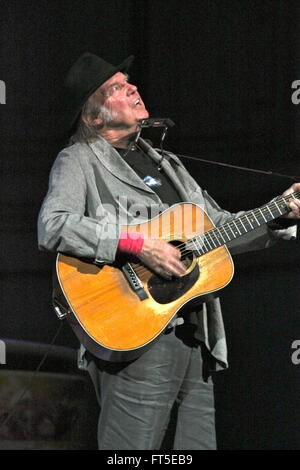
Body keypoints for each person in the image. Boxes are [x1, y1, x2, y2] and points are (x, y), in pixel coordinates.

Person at [38, 52, 300, 450]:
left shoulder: (169, 163)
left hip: (197, 333)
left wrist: (278, 214)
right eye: (117, 88)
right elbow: (53, 224)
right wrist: (140, 245)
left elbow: (221, 228)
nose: (133, 89)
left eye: (130, 82)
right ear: (94, 117)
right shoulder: (78, 160)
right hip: (136, 332)